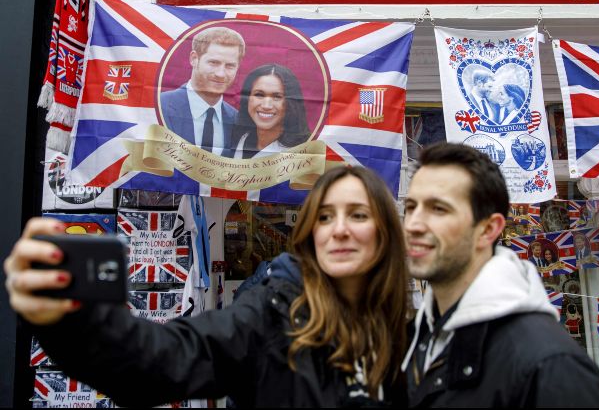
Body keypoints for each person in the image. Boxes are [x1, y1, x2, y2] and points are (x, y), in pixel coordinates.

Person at [5, 165, 409, 407]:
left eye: (357, 215)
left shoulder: (409, 332)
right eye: (323, 217)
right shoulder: (271, 315)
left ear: (385, 232)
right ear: (309, 233)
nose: (338, 230)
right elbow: (158, 362)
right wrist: (69, 320)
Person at [401, 142, 599, 407]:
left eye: (439, 209)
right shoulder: (418, 339)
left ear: (488, 229)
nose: (414, 224)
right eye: (411, 207)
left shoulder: (550, 366)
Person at [160, 26, 245, 157]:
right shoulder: (159, 106)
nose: (220, 74)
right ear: (194, 59)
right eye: (213, 62)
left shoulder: (238, 121)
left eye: (230, 66)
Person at [231, 63, 311, 158]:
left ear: (290, 103)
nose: (266, 106)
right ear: (247, 99)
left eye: (277, 97)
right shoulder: (240, 139)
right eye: (259, 95)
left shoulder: (303, 151)